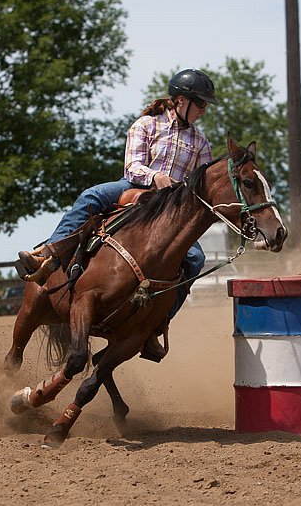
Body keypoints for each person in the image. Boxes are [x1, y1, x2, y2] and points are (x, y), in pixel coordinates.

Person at [15, 68, 219, 361]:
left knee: (196, 259)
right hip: (136, 187)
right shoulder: (146, 125)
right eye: (200, 104)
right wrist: (155, 177)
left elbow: (201, 181)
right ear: (181, 101)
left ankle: (157, 324)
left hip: (172, 210)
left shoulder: (200, 142)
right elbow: (132, 167)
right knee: (92, 196)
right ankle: (49, 255)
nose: (203, 111)